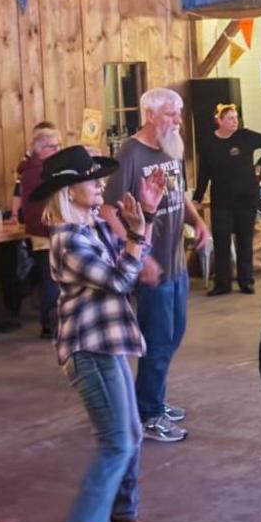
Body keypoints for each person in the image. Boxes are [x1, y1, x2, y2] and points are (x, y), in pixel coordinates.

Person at [36, 146, 166, 522]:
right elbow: (119, 279)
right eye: (91, 180)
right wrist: (135, 239)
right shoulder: (68, 237)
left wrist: (144, 216)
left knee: (127, 435)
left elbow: (128, 259)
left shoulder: (89, 227)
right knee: (117, 442)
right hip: (88, 350)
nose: (99, 185)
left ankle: (118, 515)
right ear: (68, 190)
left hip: (105, 346)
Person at [102, 88, 211, 443]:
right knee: (158, 339)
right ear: (150, 115)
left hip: (176, 262)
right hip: (153, 265)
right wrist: (138, 253)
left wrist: (199, 222)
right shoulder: (131, 154)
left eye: (178, 115)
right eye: (170, 115)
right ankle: (147, 414)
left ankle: (153, 399)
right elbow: (107, 210)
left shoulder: (171, 147)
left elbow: (180, 194)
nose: (177, 121)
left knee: (174, 334)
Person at [193, 103, 261, 295]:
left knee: (245, 239)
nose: (234, 121)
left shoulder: (245, 136)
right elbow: (203, 173)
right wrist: (197, 197)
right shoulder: (209, 143)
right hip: (222, 199)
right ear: (219, 121)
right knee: (222, 241)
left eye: (236, 117)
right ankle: (222, 283)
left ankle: (245, 281)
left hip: (246, 196)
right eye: (230, 118)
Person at [17, 122, 64, 337]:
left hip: (46, 232)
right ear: (41, 149)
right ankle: (49, 323)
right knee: (51, 281)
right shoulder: (37, 172)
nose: (58, 151)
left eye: (58, 146)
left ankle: (52, 321)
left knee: (51, 279)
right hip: (46, 233)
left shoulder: (34, 170)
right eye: (53, 147)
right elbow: (39, 207)